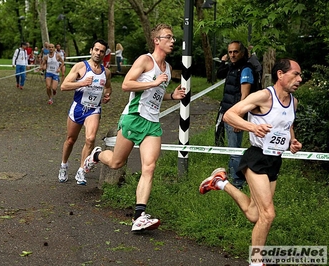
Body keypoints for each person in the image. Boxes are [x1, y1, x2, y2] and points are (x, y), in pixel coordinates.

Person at [82, 24, 186, 232]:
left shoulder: (167, 67)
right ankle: (97, 155)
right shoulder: (144, 61)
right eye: (168, 37)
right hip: (133, 118)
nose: (173, 41)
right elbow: (127, 85)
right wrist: (153, 82)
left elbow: (155, 96)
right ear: (157, 40)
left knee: (149, 167)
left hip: (152, 123)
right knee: (116, 163)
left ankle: (139, 216)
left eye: (173, 37)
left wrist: (171, 96)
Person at [199, 59, 303, 266]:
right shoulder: (264, 96)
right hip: (256, 157)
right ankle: (256, 262)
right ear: (280, 74)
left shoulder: (294, 101)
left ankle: (220, 182)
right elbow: (230, 115)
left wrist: (292, 141)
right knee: (268, 214)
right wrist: (251, 127)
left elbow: (286, 124)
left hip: (274, 160)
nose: (299, 79)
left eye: (300, 75)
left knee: (255, 215)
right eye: (295, 74)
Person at [58, 39, 112, 185]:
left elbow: (108, 87)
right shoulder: (81, 67)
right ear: (91, 50)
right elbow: (64, 86)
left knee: (90, 139)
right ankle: (64, 165)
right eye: (96, 50)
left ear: (104, 54)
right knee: (70, 140)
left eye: (102, 51)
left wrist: (107, 94)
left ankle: (81, 170)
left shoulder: (106, 72)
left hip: (94, 109)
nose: (98, 53)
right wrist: (82, 82)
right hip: (78, 107)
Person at [215, 41, 254, 189]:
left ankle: (238, 183)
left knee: (235, 150)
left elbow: (245, 96)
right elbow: (219, 74)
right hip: (227, 113)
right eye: (230, 52)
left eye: (235, 52)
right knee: (232, 149)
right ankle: (232, 179)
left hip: (235, 116)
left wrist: (239, 119)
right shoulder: (232, 67)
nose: (232, 55)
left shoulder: (245, 70)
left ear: (242, 53)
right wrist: (223, 61)